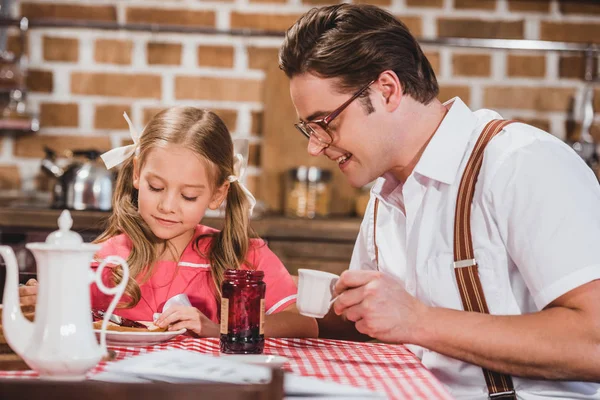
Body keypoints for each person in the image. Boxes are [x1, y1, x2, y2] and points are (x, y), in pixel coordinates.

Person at [279, 3, 600, 399]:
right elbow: (366, 320)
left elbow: (594, 342)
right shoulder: (385, 194)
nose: (315, 148)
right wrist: (264, 306)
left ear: (387, 90)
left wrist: (419, 321)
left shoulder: (520, 162)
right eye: (307, 129)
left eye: (325, 123)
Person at [20, 106, 318, 339]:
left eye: (188, 196)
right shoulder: (102, 260)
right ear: (137, 173)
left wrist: (220, 328)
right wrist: (42, 300)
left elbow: (303, 324)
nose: (167, 206)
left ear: (217, 195)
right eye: (156, 188)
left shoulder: (244, 258)